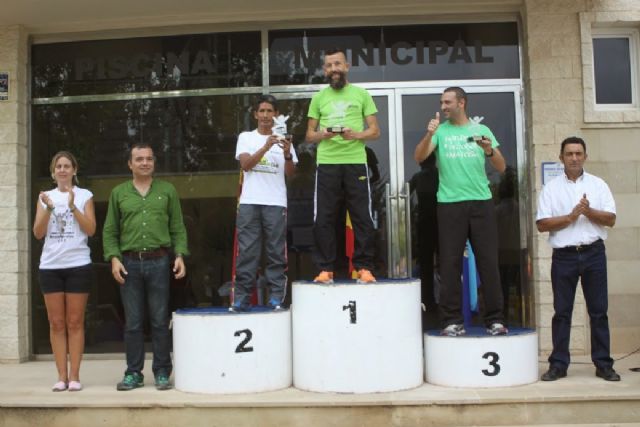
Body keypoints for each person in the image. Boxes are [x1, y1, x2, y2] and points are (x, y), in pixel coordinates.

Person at [414, 86, 507, 337]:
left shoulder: (481, 130)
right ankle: (451, 321)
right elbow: (419, 157)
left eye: (447, 102)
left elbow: (501, 166)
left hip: (481, 202)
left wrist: (489, 149)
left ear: (461, 103)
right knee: (450, 264)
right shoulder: (440, 131)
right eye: (442, 102)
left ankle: (495, 320)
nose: (443, 107)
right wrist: (428, 134)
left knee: (488, 262)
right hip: (450, 204)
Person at [103, 143, 189, 391]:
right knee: (133, 322)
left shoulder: (167, 191)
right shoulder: (119, 193)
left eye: (149, 159)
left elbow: (177, 227)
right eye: (139, 159)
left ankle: (162, 372)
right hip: (128, 263)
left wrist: (180, 255)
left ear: (154, 163)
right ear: (130, 164)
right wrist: (114, 258)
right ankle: (133, 373)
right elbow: (110, 230)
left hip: (160, 262)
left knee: (161, 320)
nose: (144, 163)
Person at [536, 136, 620, 382]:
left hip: (594, 253)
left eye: (578, 153)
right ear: (561, 157)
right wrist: (571, 217)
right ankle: (559, 364)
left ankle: (603, 364)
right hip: (564, 257)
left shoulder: (598, 185)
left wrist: (588, 211)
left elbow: (611, 219)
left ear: (585, 156)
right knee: (562, 312)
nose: (574, 158)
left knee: (599, 312)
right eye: (569, 153)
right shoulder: (551, 188)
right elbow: (542, 224)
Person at [305, 47, 380, 284]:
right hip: (327, 164)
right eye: (329, 66)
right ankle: (326, 268)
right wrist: (323, 134)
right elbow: (309, 135)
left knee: (361, 216)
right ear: (324, 70)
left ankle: (364, 267)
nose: (333, 69)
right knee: (324, 217)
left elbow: (375, 131)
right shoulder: (319, 98)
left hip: (355, 163)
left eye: (337, 64)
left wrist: (355, 135)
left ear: (346, 67)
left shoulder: (362, 94)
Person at [33, 151, 96, 392]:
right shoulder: (45, 197)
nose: (62, 170)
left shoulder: (84, 195)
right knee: (57, 323)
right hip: (50, 267)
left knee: (75, 321)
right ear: (53, 172)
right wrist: (49, 210)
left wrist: (72, 207)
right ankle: (61, 376)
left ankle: (75, 376)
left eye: (66, 166)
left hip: (78, 265)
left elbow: (90, 229)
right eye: (58, 166)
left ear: (74, 170)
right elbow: (38, 233)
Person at [230, 94, 298, 311]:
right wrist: (266, 147)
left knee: (276, 252)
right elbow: (246, 165)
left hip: (276, 202)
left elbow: (291, 174)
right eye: (262, 111)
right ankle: (241, 299)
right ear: (255, 114)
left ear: (276, 115)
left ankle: (276, 297)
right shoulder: (246, 137)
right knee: (248, 252)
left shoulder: (284, 139)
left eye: (270, 111)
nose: (266, 115)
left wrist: (287, 153)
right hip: (250, 202)